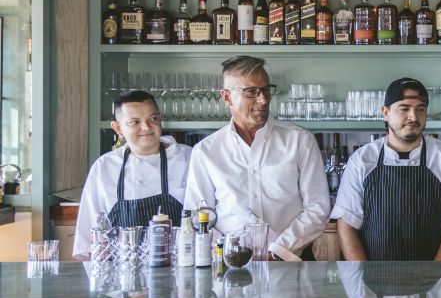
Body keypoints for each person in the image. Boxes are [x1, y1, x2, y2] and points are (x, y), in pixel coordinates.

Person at [184, 56, 330, 261]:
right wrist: (229, 251)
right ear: (227, 98)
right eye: (251, 92)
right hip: (229, 266)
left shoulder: (300, 140)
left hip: (290, 261)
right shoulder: (206, 151)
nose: (263, 100)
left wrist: (279, 251)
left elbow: (318, 207)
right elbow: (198, 217)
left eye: (266, 90)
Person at [333, 78, 441, 261]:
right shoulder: (362, 160)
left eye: (421, 109)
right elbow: (346, 224)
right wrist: (361, 279)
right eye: (404, 108)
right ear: (385, 113)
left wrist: (434, 276)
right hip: (373, 282)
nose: (414, 117)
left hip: (433, 281)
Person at [73, 90, 190, 260]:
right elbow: (89, 240)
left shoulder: (190, 158)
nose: (146, 127)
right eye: (135, 122)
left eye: (153, 119)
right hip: (121, 277)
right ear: (118, 128)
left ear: (161, 119)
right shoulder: (104, 167)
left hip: (178, 273)